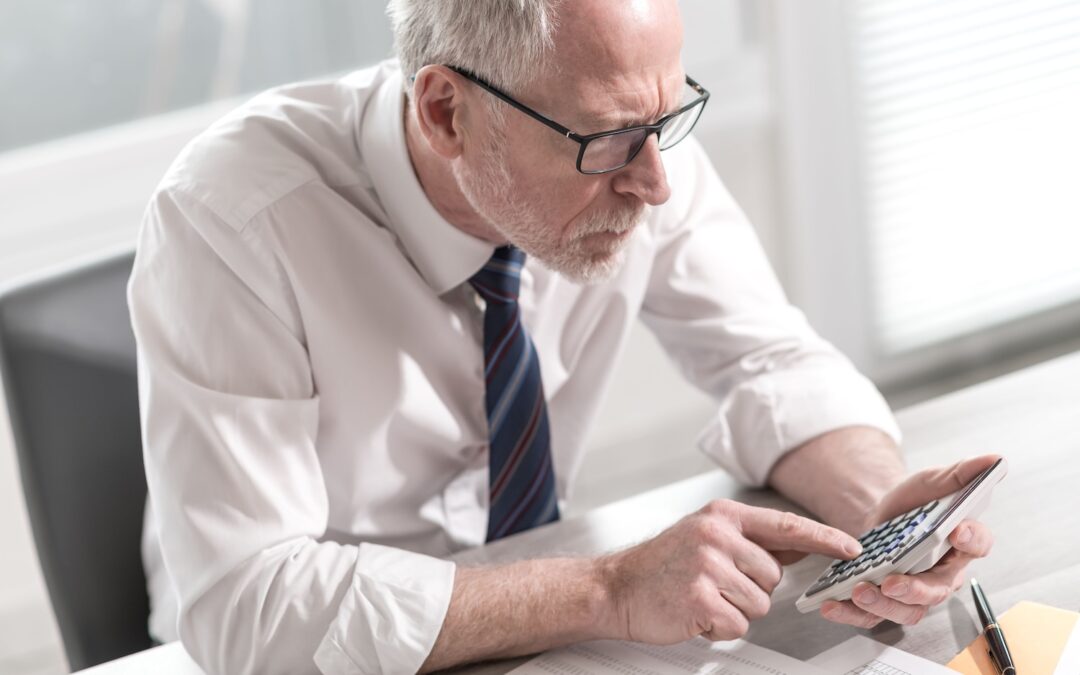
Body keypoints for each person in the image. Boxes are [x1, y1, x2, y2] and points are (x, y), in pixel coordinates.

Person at [127, 0, 996, 673]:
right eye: (614, 139)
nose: (656, 181)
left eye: (668, 118)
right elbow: (248, 603)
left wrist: (881, 515)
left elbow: (770, 361)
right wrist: (608, 587)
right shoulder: (232, 221)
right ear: (445, 113)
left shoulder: (631, 138)